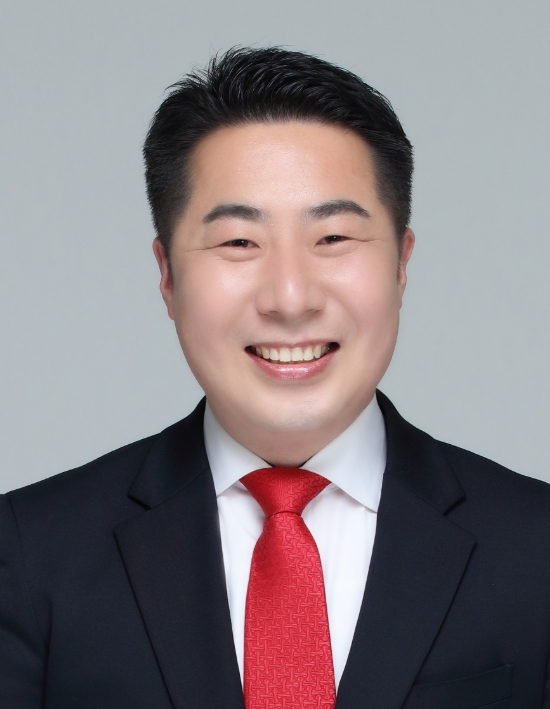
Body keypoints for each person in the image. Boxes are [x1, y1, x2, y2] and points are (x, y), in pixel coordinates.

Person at [1, 47, 549, 709]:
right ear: (168, 275)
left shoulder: (535, 547)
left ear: (402, 264)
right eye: (239, 242)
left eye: (334, 238)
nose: (291, 298)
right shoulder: (31, 553)